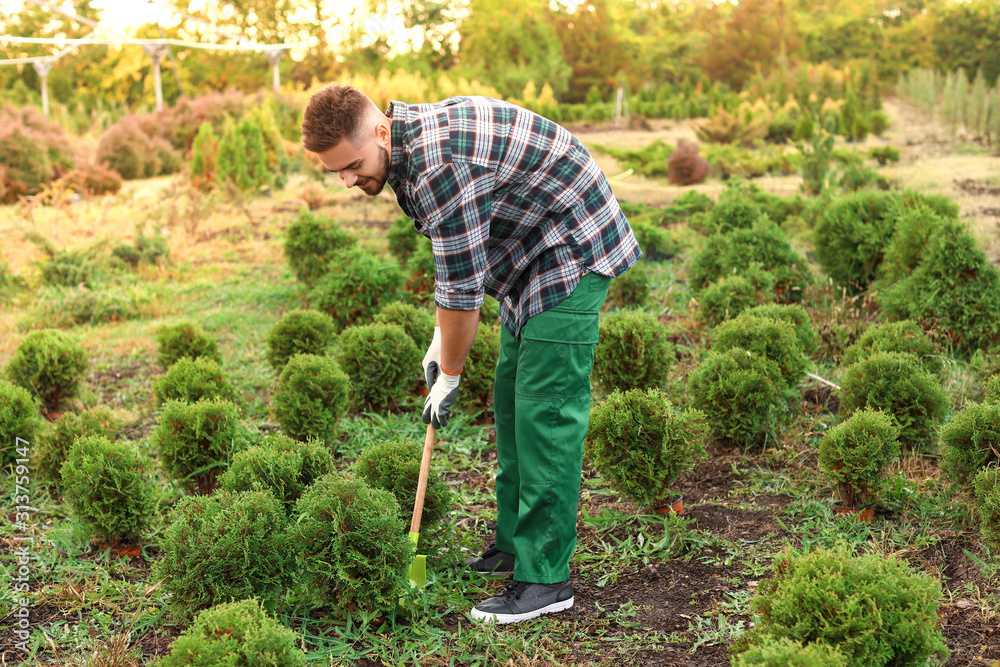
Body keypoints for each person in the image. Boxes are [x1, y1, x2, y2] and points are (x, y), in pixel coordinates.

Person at [300, 85, 641, 624]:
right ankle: (512, 545)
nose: (347, 180)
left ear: (381, 132)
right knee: (510, 399)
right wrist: (442, 343)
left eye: (354, 165)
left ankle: (546, 579)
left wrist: (451, 373)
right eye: (334, 171)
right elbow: (457, 267)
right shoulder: (405, 152)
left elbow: (461, 296)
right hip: (527, 253)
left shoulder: (438, 166)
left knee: (546, 413)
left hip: (570, 244)